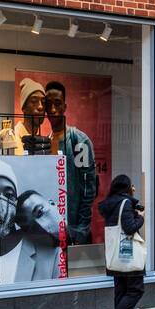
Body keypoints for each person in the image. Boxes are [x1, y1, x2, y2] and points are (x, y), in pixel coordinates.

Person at [43, 81, 98, 245]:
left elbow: (88, 189)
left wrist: (80, 231)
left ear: (65, 107)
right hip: (51, 231)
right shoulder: (45, 142)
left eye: (57, 104)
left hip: (74, 232)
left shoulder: (78, 141)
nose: (53, 110)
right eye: (49, 104)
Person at [100, 174, 145, 309]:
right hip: (128, 255)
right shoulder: (125, 203)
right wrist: (140, 218)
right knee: (135, 289)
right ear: (126, 188)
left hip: (115, 256)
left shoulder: (111, 204)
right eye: (132, 185)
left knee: (121, 291)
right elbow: (129, 228)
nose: (134, 188)